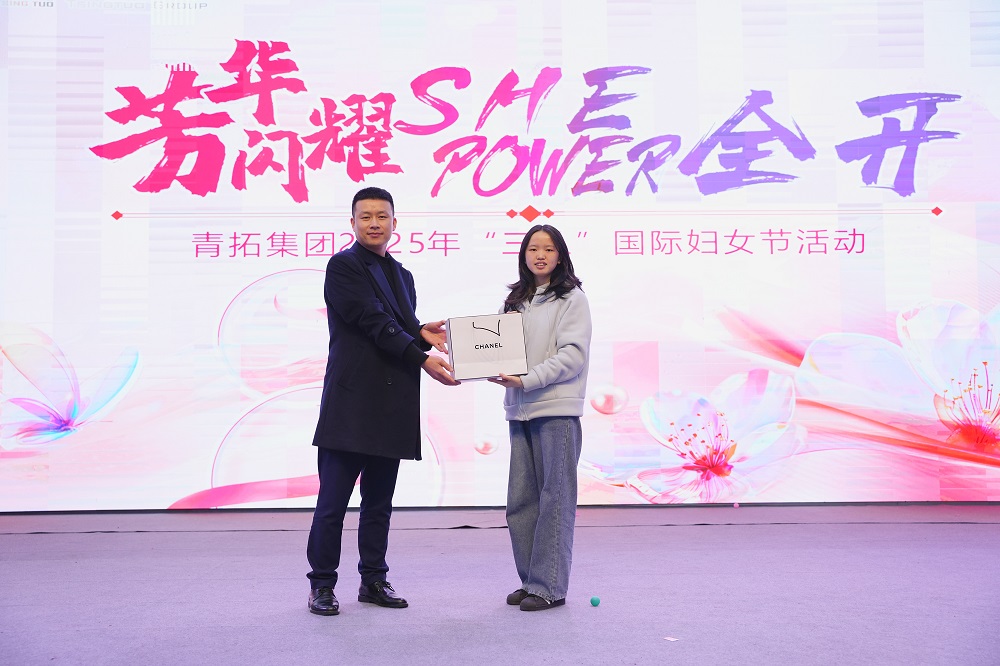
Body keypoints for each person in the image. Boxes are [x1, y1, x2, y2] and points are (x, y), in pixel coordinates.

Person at [306, 186, 459, 616]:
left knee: (378, 504)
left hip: (391, 405)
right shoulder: (343, 266)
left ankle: (373, 580)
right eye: (366, 216)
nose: (374, 223)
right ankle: (321, 585)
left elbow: (399, 327)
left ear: (395, 222)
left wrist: (420, 332)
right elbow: (372, 321)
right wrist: (422, 356)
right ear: (352, 223)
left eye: (382, 216)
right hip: (351, 405)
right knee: (332, 505)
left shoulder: (403, 275)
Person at [488, 224, 592, 611]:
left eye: (548, 249)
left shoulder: (572, 299)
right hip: (520, 411)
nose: (541, 255)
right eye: (533, 249)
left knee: (555, 501)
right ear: (524, 255)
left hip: (556, 411)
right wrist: (480, 361)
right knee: (521, 502)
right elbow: (493, 346)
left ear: (560, 256)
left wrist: (527, 379)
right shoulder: (514, 301)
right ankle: (531, 580)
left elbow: (572, 356)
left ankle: (549, 587)